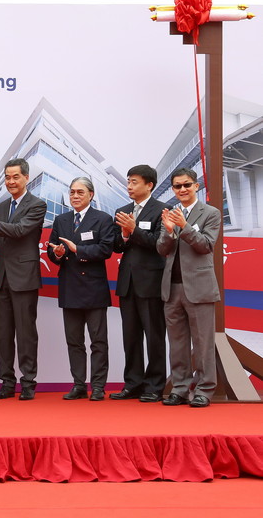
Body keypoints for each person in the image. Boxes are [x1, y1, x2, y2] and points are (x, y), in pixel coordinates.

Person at [0, 158, 46, 400]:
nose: (11, 181)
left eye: (15, 177)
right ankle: (6, 380)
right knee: (3, 334)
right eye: (7, 177)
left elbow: (20, 231)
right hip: (2, 276)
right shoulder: (2, 206)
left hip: (24, 277)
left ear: (26, 178)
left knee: (25, 333)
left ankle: (28, 382)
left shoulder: (38, 205)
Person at [157, 167, 221, 408]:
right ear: (173, 190)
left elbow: (205, 245)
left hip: (199, 287)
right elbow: (162, 250)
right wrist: (170, 231)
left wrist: (184, 226)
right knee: (177, 343)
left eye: (186, 185)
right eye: (177, 186)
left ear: (196, 186)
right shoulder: (171, 215)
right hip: (171, 288)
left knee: (203, 342)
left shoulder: (211, 213)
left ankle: (205, 389)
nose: (182, 189)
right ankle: (181, 388)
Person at [47, 177, 115, 401]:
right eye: (72, 192)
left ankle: (97, 386)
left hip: (94, 287)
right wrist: (57, 253)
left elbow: (106, 249)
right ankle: (78, 384)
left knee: (98, 341)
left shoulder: (103, 219)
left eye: (80, 192)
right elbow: (52, 250)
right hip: (70, 286)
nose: (75, 196)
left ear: (91, 195)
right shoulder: (61, 220)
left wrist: (79, 249)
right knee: (74, 341)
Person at [111, 165, 169, 402]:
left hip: (151, 282)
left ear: (149, 185)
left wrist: (133, 230)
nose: (129, 186)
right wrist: (125, 234)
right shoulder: (123, 211)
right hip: (128, 282)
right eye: (128, 182)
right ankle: (132, 383)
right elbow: (116, 246)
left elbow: (159, 244)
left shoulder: (163, 210)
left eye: (134, 182)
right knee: (130, 336)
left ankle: (155, 385)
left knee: (154, 336)